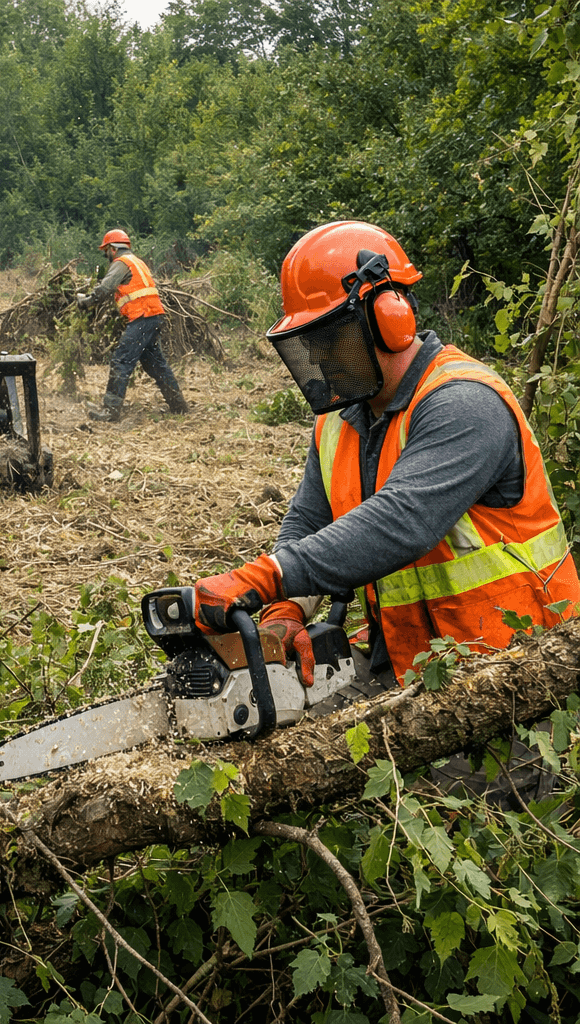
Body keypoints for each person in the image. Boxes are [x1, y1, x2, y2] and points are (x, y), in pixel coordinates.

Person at [192, 219, 579, 804]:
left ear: (388, 315)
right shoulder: (341, 418)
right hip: (405, 660)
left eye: (331, 337)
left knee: (447, 818)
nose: (320, 357)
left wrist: (267, 576)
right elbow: (309, 520)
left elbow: (402, 521)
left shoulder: (463, 403)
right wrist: (287, 610)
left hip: (511, 672)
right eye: (309, 342)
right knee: (300, 769)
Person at [77, 229, 190, 422]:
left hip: (142, 317)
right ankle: (179, 407)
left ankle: (111, 411)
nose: (106, 255)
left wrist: (86, 301)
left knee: (121, 361)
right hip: (153, 316)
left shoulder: (121, 263)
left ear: (112, 249)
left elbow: (105, 288)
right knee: (156, 364)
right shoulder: (138, 262)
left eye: (106, 251)